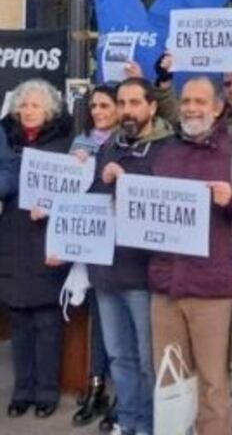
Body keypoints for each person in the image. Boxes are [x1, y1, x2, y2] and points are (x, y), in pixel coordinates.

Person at [145, 53, 232, 435]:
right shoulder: (165, 152)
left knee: (213, 388)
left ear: (218, 107)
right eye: (186, 101)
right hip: (165, 288)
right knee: (170, 384)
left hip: (213, 291)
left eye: (199, 101)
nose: (191, 108)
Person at [90, 78, 174, 435]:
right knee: (119, 357)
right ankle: (129, 420)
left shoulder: (168, 148)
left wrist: (129, 182)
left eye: (134, 103)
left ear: (152, 107)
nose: (127, 110)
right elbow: (92, 198)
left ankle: (151, 426)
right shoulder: (109, 145)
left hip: (144, 274)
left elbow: (167, 201)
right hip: (106, 271)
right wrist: (100, 179)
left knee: (146, 360)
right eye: (122, 103)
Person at [0, 79, 73, 419]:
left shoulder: (65, 145)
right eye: (24, 105)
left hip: (48, 241)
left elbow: (76, 197)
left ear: (50, 111)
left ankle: (46, 392)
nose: (28, 111)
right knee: (19, 323)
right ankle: (22, 390)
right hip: (13, 240)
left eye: (36, 106)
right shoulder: (6, 142)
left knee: (47, 324)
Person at [69, 85, 119, 429]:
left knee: (122, 324)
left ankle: (120, 392)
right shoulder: (81, 143)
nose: (99, 112)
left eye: (106, 105)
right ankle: (96, 384)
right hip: (91, 242)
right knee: (100, 319)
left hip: (123, 245)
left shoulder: (126, 142)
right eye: (95, 106)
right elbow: (68, 192)